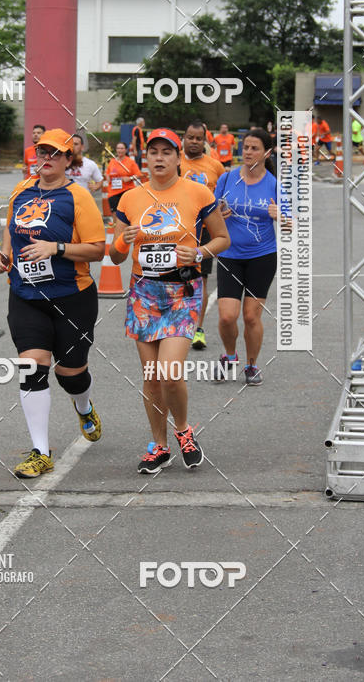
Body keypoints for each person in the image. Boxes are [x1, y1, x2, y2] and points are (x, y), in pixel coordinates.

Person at [109, 128, 230, 474]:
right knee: (151, 377)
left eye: (167, 152)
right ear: (145, 158)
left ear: (179, 158)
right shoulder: (129, 199)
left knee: (170, 373)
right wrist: (122, 242)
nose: (159, 158)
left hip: (182, 293)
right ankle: (159, 445)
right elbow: (115, 256)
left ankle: (183, 431)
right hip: (144, 294)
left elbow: (223, 238)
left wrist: (200, 252)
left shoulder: (197, 191)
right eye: (153, 152)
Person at [0, 129, 106, 478]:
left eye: (55, 153)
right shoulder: (21, 190)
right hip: (26, 295)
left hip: (72, 297)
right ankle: (40, 451)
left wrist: (55, 248)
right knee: (31, 366)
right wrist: (5, 255)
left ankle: (84, 406)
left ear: (68, 159)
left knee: (70, 374)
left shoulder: (78, 196)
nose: (47, 158)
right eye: (42, 151)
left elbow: (98, 249)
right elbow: (11, 227)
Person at [213, 127, 291, 386]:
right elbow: (210, 214)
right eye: (245, 147)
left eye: (254, 148)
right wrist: (218, 216)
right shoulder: (227, 179)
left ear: (267, 152)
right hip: (229, 254)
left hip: (262, 256)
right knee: (226, 316)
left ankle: (252, 365)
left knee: (250, 316)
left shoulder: (274, 185)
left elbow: (292, 222)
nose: (248, 152)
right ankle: (230, 356)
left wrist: (280, 216)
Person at [179, 121, 226, 351]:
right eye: (190, 137)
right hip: (175, 230)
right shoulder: (173, 160)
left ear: (205, 141)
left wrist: (224, 210)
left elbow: (224, 197)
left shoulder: (215, 167)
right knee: (173, 278)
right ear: (184, 138)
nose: (194, 142)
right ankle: (173, 324)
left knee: (200, 281)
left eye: (199, 139)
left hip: (204, 232)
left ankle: (198, 329)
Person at [105, 141, 142, 216]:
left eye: (122, 148)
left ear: (126, 150)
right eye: (118, 148)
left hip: (127, 190)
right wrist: (107, 177)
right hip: (113, 192)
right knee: (115, 215)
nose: (119, 150)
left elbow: (139, 174)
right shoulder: (112, 161)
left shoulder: (130, 162)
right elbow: (107, 172)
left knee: (127, 214)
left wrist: (130, 178)